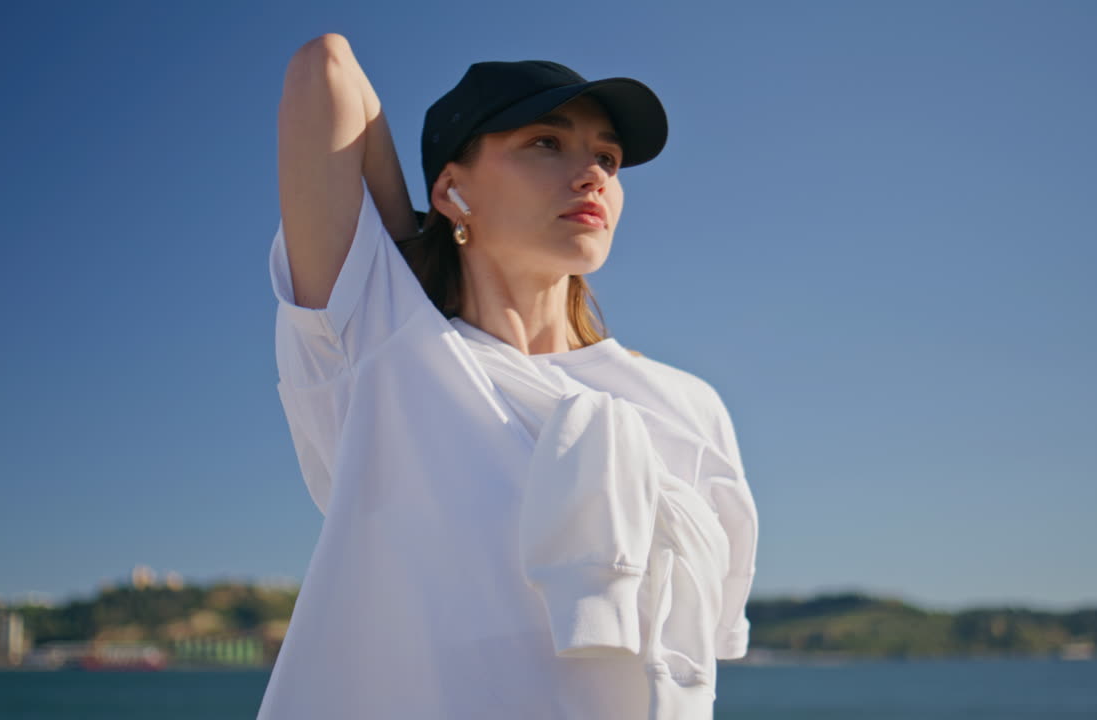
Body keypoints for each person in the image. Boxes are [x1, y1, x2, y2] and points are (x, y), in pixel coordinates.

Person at [259, 33, 759, 720]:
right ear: (452, 185)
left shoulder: (688, 406)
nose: (592, 176)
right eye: (546, 143)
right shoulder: (382, 351)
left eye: (607, 158)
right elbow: (327, 69)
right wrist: (410, 253)